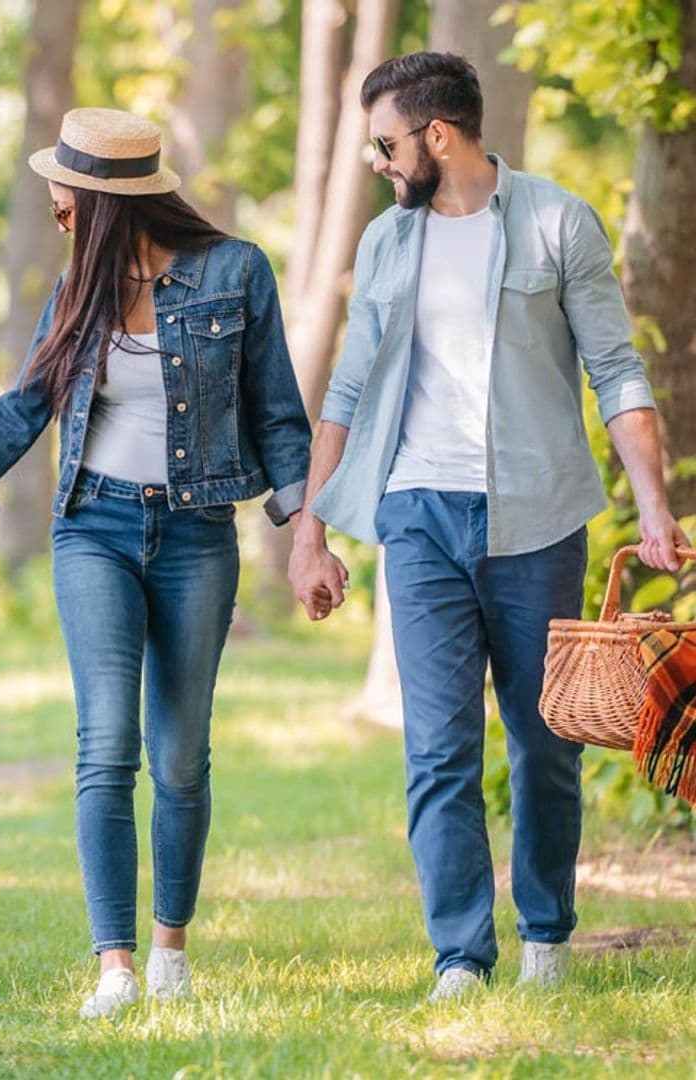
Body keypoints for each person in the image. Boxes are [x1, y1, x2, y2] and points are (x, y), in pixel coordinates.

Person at [0, 107, 311, 1018]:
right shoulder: (79, 286)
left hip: (197, 535)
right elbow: (21, 409)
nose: (57, 211)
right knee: (106, 746)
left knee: (181, 757)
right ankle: (114, 965)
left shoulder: (236, 273)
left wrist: (306, 534)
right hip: (95, 530)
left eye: (65, 198)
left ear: (107, 201)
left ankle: (169, 953)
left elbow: (278, 417)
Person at [288, 53, 687, 1002]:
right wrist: (312, 528)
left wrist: (658, 506)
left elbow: (617, 373)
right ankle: (461, 956)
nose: (378, 163)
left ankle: (546, 932)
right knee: (437, 749)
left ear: (439, 135)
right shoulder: (389, 243)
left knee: (544, 740)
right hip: (417, 515)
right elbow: (346, 390)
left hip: (538, 516)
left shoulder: (556, 221)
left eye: (386, 143)